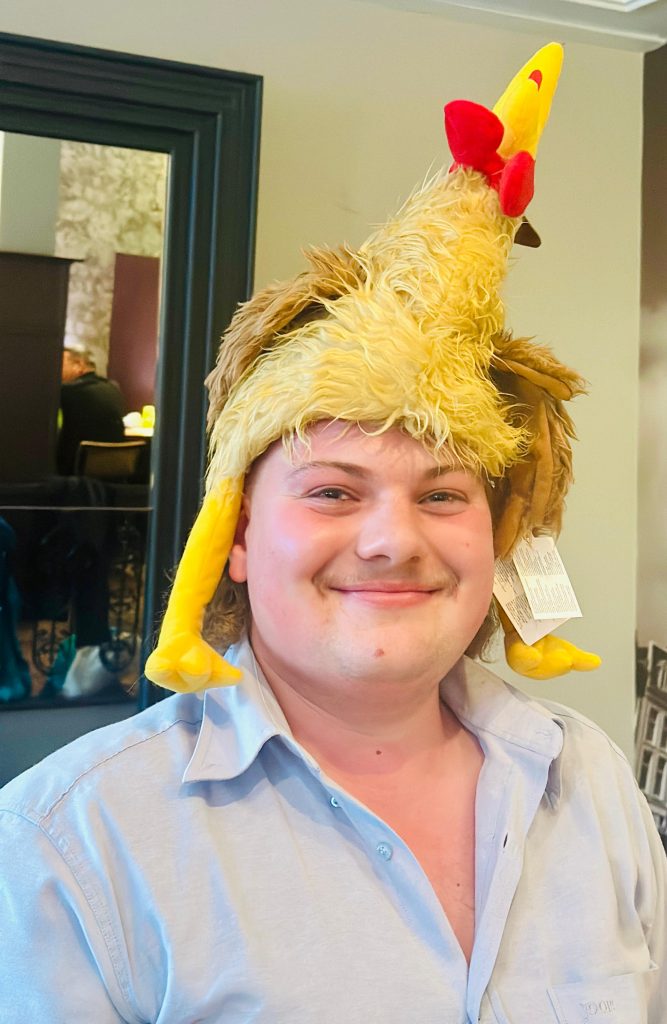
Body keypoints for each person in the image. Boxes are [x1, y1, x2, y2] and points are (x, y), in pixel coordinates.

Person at [0, 43, 664, 1022]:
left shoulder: (590, 777)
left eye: (443, 495)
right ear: (235, 535)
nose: (394, 540)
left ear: (495, 536)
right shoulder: (68, 843)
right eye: (332, 492)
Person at [57, 342, 125, 475]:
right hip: (113, 470)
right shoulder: (112, 388)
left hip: (74, 470)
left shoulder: (68, 392)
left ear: (78, 365)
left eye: (60, 364)